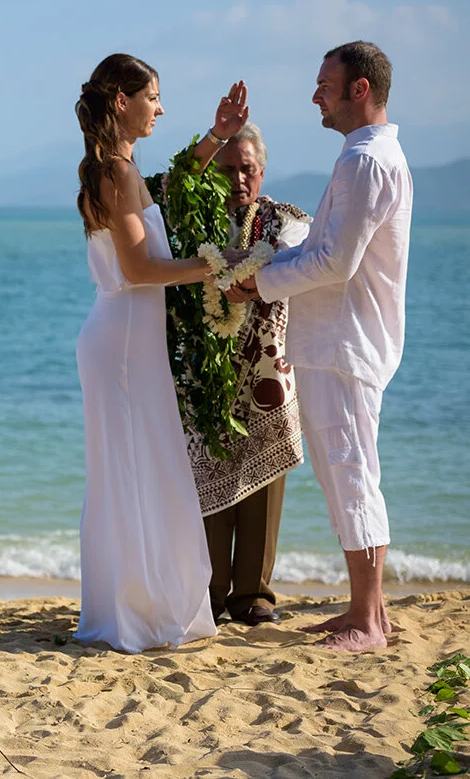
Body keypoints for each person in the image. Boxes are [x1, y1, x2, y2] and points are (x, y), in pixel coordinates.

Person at [233, 41, 412, 652]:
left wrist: (261, 281)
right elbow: (323, 253)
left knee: (352, 472)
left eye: (324, 85)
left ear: (359, 89)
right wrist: (273, 264)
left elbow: (335, 262)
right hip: (336, 338)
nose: (315, 96)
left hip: (345, 341)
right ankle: (369, 610)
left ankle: (367, 621)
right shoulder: (366, 155)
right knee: (347, 473)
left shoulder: (366, 161)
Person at [72, 53, 249, 652]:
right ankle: (132, 612)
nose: (160, 107)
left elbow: (166, 193)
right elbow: (139, 267)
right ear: (122, 101)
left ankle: (139, 604)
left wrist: (216, 138)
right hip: (121, 340)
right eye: (153, 96)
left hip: (126, 340)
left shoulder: (121, 169)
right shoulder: (112, 173)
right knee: (131, 470)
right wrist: (215, 268)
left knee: (142, 467)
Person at [190, 122, 310, 627]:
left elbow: (293, 259)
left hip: (266, 370)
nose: (239, 179)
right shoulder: (194, 224)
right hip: (206, 373)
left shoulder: (288, 221)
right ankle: (211, 591)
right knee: (208, 476)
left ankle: (254, 595)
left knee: (263, 479)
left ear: (262, 172)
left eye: (248, 169)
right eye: (228, 169)